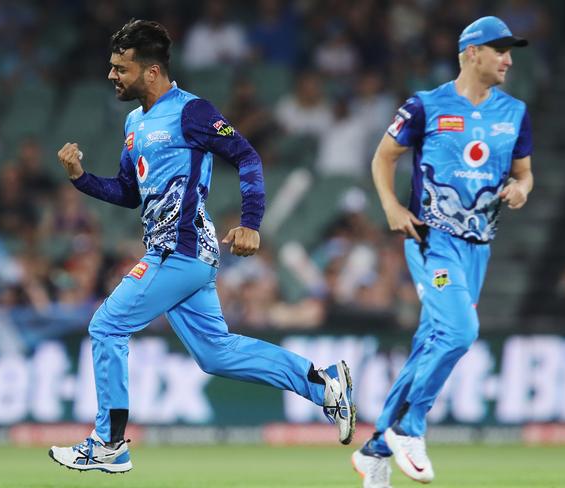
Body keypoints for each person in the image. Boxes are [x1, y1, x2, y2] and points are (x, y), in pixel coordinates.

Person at [48, 19, 355, 473]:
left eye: (121, 68)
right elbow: (129, 193)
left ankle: (109, 442)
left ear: (151, 72)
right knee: (216, 353)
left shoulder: (191, 111)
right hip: (180, 253)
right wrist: (81, 179)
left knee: (106, 326)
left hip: (180, 250)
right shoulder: (135, 122)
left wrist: (251, 224)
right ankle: (323, 384)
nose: (112, 76)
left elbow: (246, 156)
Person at [352, 16, 533, 487]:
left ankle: (375, 450)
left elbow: (525, 172)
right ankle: (409, 429)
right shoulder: (425, 106)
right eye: (501, 50)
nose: (509, 60)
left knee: (431, 341)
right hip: (432, 240)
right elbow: (382, 157)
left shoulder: (514, 112)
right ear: (472, 52)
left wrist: (522, 188)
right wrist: (391, 206)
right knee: (459, 330)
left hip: (479, 247)